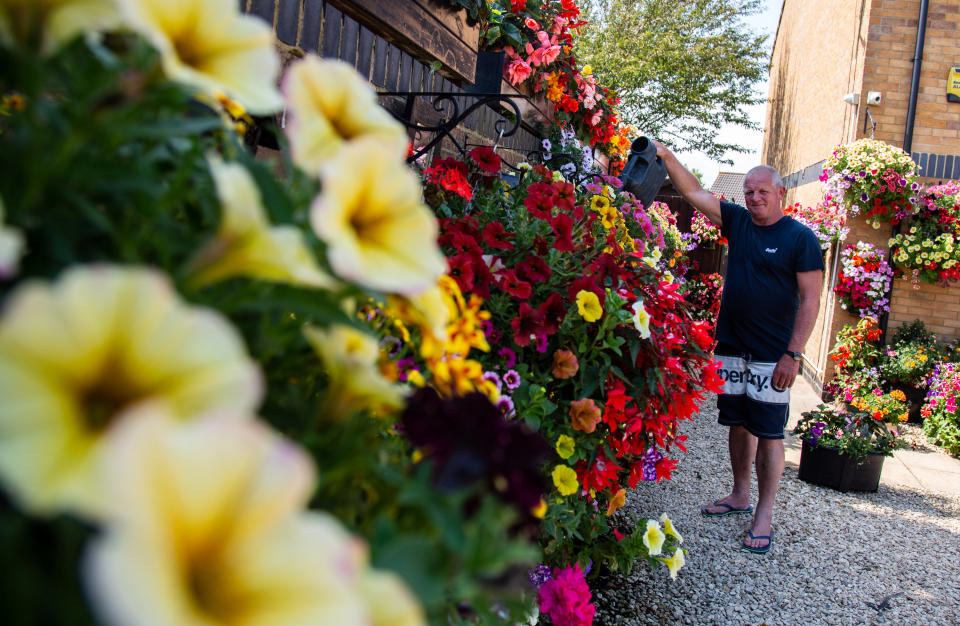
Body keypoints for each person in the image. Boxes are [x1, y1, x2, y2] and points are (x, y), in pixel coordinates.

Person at [653, 140, 824, 554]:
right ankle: (739, 495)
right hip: (731, 346)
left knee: (768, 431)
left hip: (773, 356)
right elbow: (694, 193)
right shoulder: (738, 222)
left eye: (763, 191)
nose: (755, 197)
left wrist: (794, 353)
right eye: (749, 191)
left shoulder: (800, 239)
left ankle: (764, 513)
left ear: (781, 193)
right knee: (738, 423)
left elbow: (812, 300)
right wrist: (666, 156)